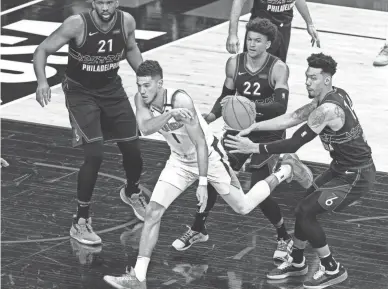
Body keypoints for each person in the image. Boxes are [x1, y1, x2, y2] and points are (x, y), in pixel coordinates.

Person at [103, 60, 313, 289]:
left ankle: (285, 169)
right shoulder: (144, 100)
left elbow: (201, 144)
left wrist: (202, 183)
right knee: (153, 212)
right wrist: (171, 114)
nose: (142, 91)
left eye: (147, 86)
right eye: (139, 85)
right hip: (178, 162)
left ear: (160, 83)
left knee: (242, 206)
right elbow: (145, 128)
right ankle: (138, 277)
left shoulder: (181, 100)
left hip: (210, 157)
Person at [225, 53, 375, 288]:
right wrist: (254, 125)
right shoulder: (331, 96)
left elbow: (294, 143)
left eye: (313, 78)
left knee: (306, 211)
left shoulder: (327, 110)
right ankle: (297, 262)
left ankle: (331, 268)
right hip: (340, 168)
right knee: (303, 206)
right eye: (306, 77)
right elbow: (290, 118)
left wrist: (253, 146)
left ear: (326, 80)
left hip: (357, 175)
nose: (307, 82)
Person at [173, 18, 293, 264]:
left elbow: (281, 106)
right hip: (238, 131)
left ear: (268, 44)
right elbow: (226, 96)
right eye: (249, 39)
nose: (251, 44)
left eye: (258, 40)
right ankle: (198, 229)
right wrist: (212, 115)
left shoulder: (278, 68)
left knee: (259, 191)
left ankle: (284, 237)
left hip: (267, 134)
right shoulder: (234, 63)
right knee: (217, 178)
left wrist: (249, 106)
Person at [33, 0, 147, 246]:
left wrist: (146, 79)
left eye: (110, 2)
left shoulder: (126, 21)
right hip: (80, 93)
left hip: (112, 91)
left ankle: (131, 192)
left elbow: (130, 49)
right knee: (94, 154)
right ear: (93, 2)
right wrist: (42, 81)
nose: (105, 8)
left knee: (133, 150)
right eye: (100, 2)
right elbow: (42, 50)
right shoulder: (76, 24)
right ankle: (80, 221)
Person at [226, 0, 320, 62]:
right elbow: (238, 2)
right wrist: (232, 34)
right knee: (252, 72)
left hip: (283, 29)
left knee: (277, 72)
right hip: (260, 30)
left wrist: (309, 23)